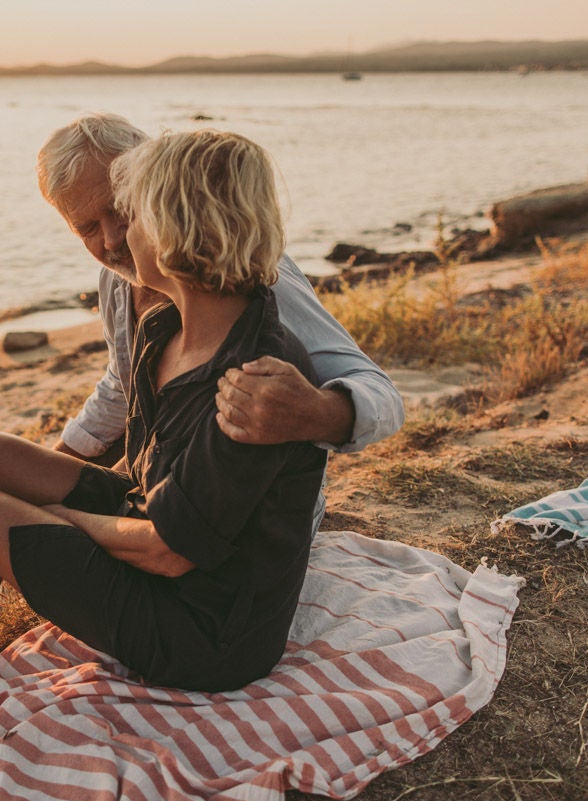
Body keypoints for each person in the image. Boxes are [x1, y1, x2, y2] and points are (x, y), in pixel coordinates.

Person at [0, 130, 328, 715]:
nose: (118, 238)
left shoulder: (252, 383)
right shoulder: (166, 329)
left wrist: (59, 521)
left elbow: (170, 552)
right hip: (157, 521)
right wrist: (52, 506)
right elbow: (149, 466)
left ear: (183, 233)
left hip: (205, 631)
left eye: (133, 217)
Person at [37, 114, 404, 527]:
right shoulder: (115, 283)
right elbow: (122, 385)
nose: (111, 240)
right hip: (154, 482)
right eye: (86, 227)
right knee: (2, 473)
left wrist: (318, 411)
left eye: (121, 209)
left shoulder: (249, 272)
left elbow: (383, 397)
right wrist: (53, 460)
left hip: (237, 524)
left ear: (153, 186)